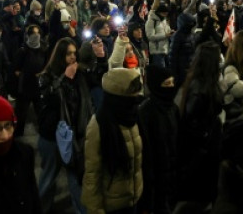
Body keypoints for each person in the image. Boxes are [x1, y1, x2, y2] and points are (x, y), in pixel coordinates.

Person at [36, 38, 92, 214]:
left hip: (74, 136)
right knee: (48, 178)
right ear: (60, 55)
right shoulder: (47, 76)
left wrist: (99, 56)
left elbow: (97, 75)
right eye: (68, 53)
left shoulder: (79, 74)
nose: (73, 57)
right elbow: (48, 101)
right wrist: (64, 79)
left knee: (76, 178)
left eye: (75, 53)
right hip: (52, 135)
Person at [82, 68, 144, 214]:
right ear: (119, 95)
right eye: (132, 92)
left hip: (134, 200)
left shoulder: (133, 117)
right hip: (113, 206)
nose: (136, 96)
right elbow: (92, 175)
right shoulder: (99, 124)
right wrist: (96, 209)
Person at [176, 41, 225, 208]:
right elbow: (193, 121)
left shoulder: (201, 81)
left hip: (205, 148)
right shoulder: (201, 88)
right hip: (202, 153)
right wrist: (206, 136)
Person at [137, 64, 179, 214]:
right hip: (156, 178)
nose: (171, 87)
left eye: (173, 82)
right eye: (167, 84)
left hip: (173, 176)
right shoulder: (146, 112)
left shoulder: (173, 108)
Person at [13, 24, 47, 137]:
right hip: (25, 87)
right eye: (33, 33)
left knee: (42, 112)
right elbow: (15, 70)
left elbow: (46, 66)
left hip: (38, 86)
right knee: (21, 114)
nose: (36, 36)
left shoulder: (43, 50)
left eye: (38, 33)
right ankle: (17, 137)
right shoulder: (23, 51)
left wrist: (42, 74)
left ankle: (43, 133)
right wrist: (24, 75)